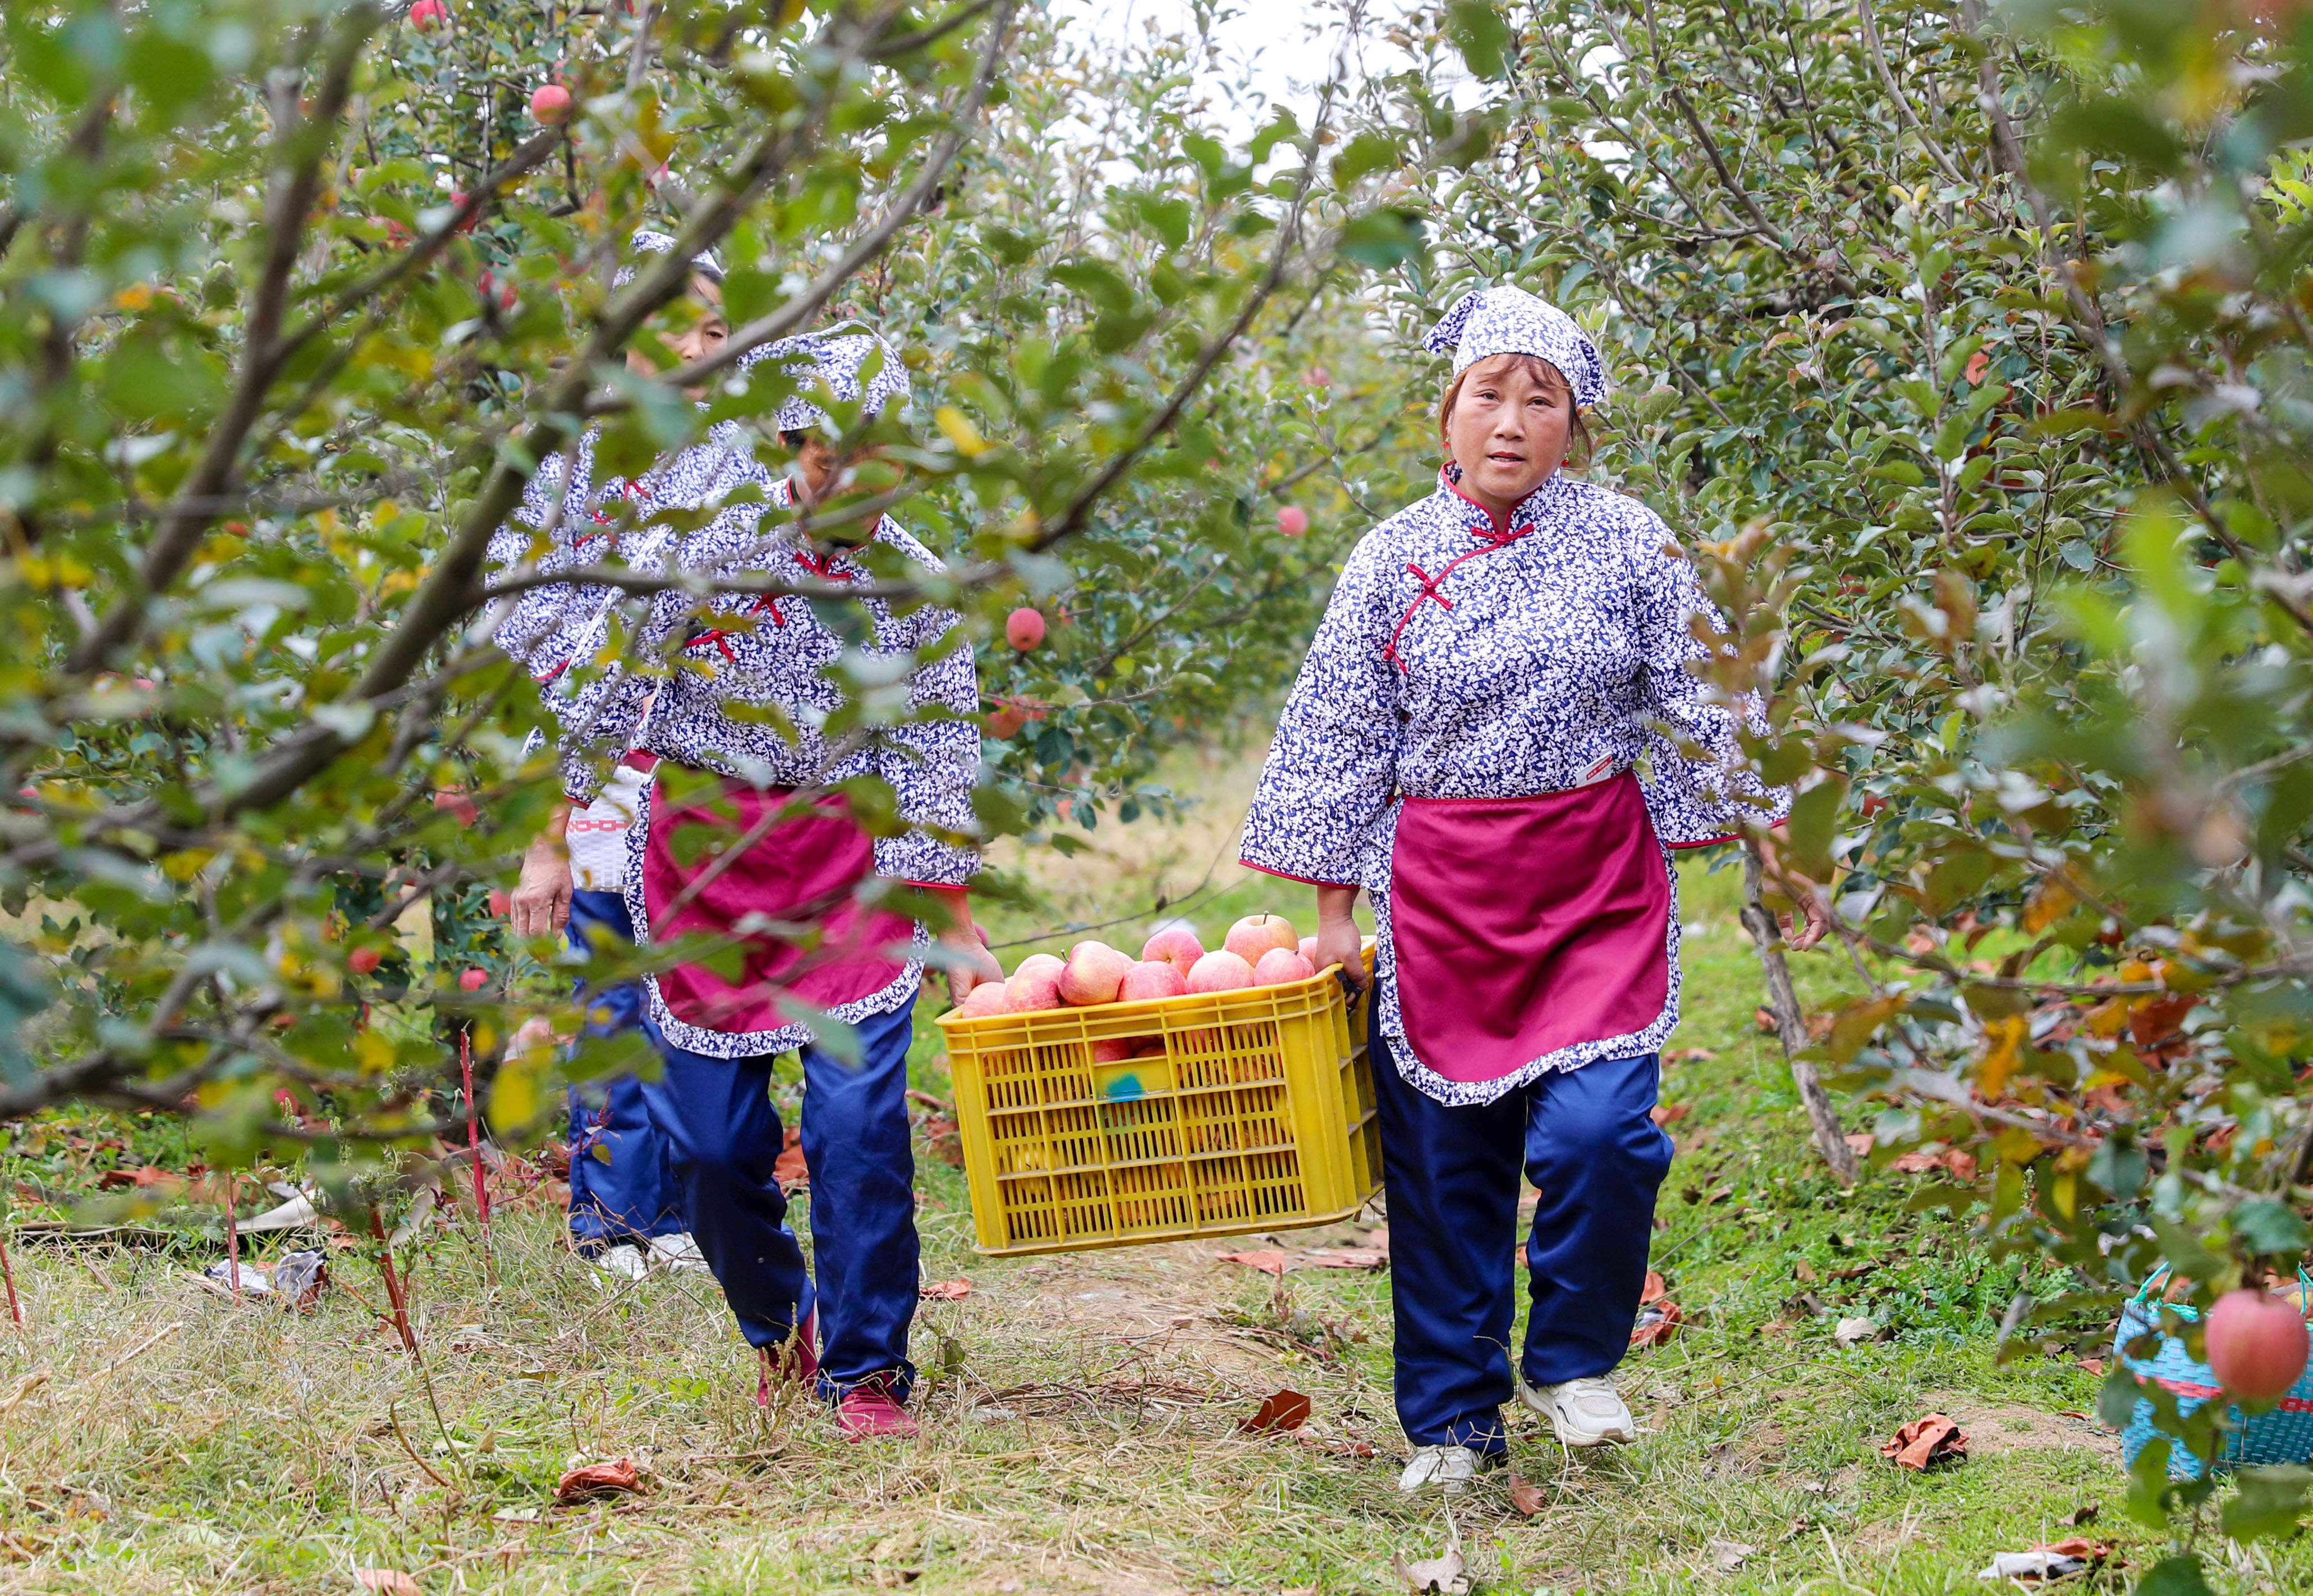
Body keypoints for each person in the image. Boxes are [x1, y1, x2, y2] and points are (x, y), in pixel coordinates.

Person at [1236, 285, 1822, 1494]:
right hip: (1443, 894)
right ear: (1447, 411)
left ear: (1574, 425)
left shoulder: (1629, 542)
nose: (1510, 422)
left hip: (1593, 880)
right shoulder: (1391, 560)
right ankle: (1454, 1423)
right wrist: (1333, 912)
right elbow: (1339, 733)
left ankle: (1572, 1361)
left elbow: (1703, 691)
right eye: (1488, 395)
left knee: (1601, 1135)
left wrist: (1779, 838)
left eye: (1540, 400)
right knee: (1446, 1170)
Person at [523, 296, 1002, 1442]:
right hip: (707, 860)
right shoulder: (700, 551)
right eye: (838, 457)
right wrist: (547, 834)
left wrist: (953, 921)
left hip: (849, 858)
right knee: (712, 1148)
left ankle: (869, 1370)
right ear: (793, 446)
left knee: (856, 1130)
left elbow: (936, 757)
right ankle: (780, 1326)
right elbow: (602, 682)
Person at [492, 231, 738, 1278]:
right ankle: (616, 1223)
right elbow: (517, 638)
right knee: (610, 987)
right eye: (675, 325)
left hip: (708, 778)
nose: (697, 348)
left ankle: (680, 1214)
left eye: (715, 329)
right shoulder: (566, 468)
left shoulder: (745, 462)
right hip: (593, 772)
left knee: (696, 996)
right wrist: (543, 821)